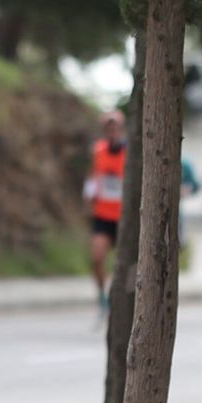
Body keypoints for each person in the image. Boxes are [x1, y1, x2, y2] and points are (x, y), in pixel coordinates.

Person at [85, 110, 126, 314]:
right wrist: (89, 193)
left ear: (121, 128)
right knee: (97, 258)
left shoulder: (129, 153)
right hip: (102, 214)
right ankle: (102, 296)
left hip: (123, 217)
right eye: (108, 127)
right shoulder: (98, 151)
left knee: (123, 263)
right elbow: (93, 175)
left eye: (115, 127)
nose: (112, 131)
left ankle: (120, 298)